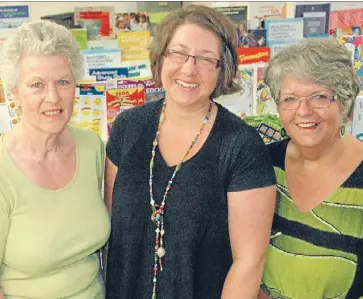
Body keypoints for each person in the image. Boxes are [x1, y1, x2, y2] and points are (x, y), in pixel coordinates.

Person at [104, 5, 277, 299]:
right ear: (161, 57)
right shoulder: (127, 128)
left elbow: (249, 263)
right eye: (178, 53)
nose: (188, 68)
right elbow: (113, 232)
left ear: (223, 69)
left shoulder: (241, 146)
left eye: (206, 59)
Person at [0, 20, 110, 299]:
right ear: (13, 93)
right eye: (37, 85)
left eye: (63, 82)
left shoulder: (91, 148)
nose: (53, 97)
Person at [260, 38, 363, 298]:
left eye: (320, 97)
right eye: (290, 99)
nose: (303, 111)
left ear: (345, 103)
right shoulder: (263, 165)